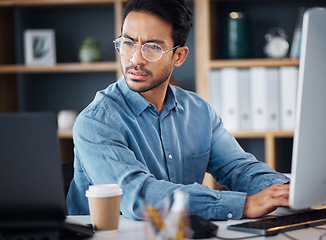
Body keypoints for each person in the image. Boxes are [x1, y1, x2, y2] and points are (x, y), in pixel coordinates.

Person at [66, 0, 290, 220]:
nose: (135, 59)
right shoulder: (95, 122)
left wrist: (288, 192)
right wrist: (244, 204)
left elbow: (239, 168)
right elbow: (138, 196)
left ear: (179, 56)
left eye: (152, 47)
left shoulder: (198, 111)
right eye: (128, 42)